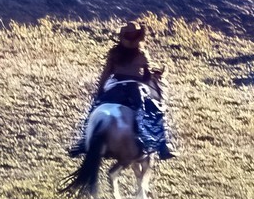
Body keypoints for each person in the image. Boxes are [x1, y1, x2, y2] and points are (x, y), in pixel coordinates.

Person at [68, 21, 175, 160]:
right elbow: (147, 75)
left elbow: (106, 73)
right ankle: (161, 145)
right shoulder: (142, 54)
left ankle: (82, 141)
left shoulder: (114, 54)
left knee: (94, 108)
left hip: (117, 86)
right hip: (136, 88)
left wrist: (99, 92)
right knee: (154, 110)